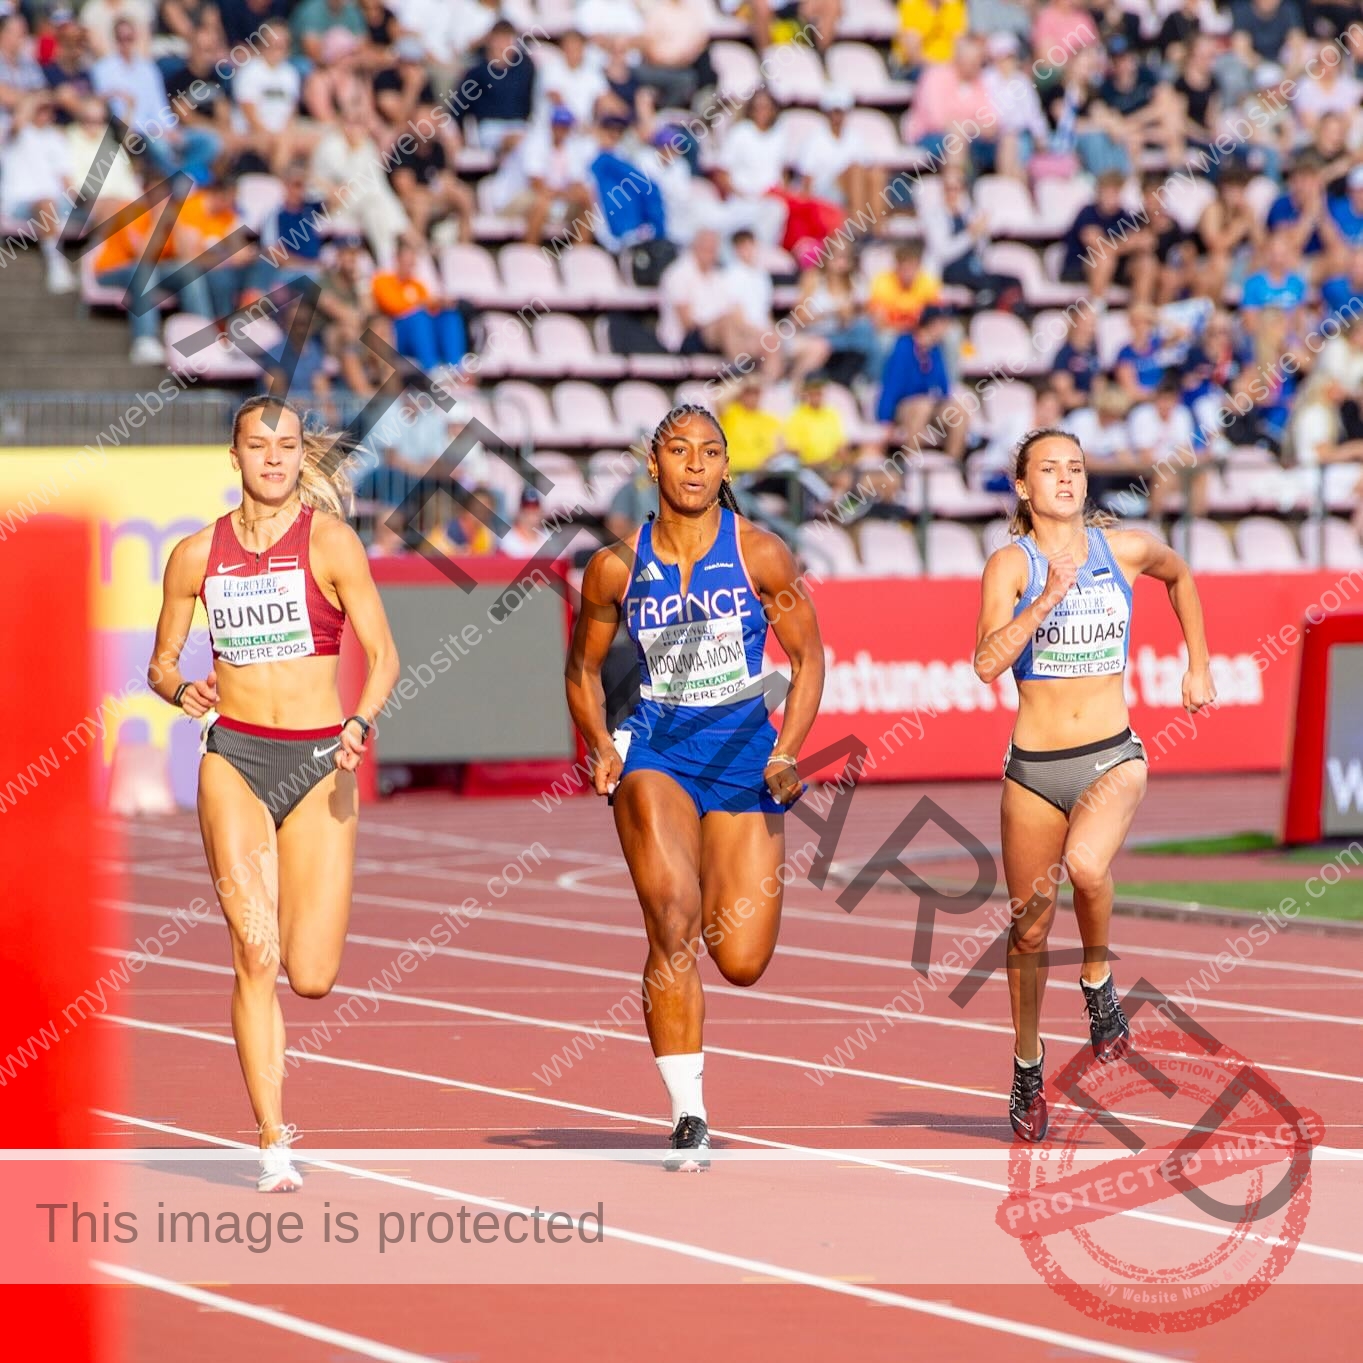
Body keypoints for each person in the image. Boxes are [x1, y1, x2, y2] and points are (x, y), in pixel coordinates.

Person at [147, 395, 400, 1190]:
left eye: (288, 445)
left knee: (311, 972)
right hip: (235, 758)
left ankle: (274, 1122)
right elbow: (159, 663)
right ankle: (271, 1138)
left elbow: (385, 655)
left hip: (322, 761)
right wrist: (178, 689)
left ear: (301, 457)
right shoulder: (195, 555)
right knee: (254, 950)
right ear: (235, 456)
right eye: (260, 445)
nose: (275, 458)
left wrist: (359, 720)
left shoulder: (331, 544)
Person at [565, 404, 825, 1168]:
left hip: (745, 757)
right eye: (678, 451)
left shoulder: (761, 555)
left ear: (724, 469)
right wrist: (599, 747)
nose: (693, 465)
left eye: (709, 453)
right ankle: (688, 1114)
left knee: (740, 958)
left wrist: (788, 751)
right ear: (654, 464)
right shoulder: (614, 566)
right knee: (671, 920)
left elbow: (808, 661)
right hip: (657, 753)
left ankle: (691, 1091)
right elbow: (582, 669)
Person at [973, 427, 1214, 1142]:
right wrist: (1044, 597)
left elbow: (1180, 576)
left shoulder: (1125, 549)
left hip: (1113, 752)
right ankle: (1026, 1061)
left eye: (1074, 467)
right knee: (1027, 930)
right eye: (1048, 469)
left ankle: (1097, 981)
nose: (1065, 478)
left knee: (1086, 865)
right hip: (1034, 770)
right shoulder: (1008, 565)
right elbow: (986, 662)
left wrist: (1197, 663)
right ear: (1022, 486)